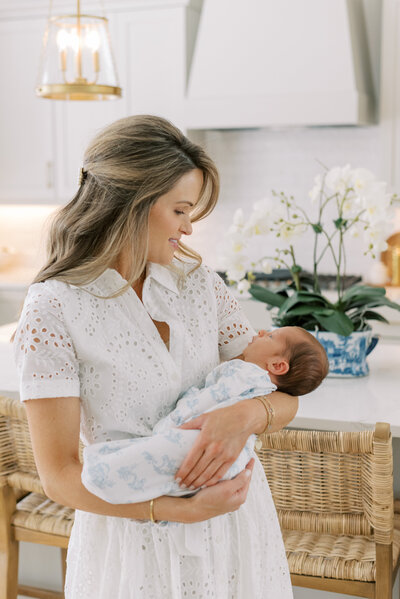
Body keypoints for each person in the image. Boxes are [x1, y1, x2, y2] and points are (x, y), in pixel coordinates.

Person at [13, 115, 299, 599]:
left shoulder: (201, 285)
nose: (189, 228)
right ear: (134, 204)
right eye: (181, 210)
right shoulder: (54, 307)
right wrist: (174, 510)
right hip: (130, 543)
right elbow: (59, 477)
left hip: (233, 528)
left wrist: (246, 415)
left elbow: (286, 397)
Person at [81, 326, 328, 504]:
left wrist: (173, 424)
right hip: (228, 461)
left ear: (277, 366)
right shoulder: (257, 381)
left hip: (207, 438)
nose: (261, 331)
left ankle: (104, 470)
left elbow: (208, 402)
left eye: (271, 335)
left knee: (158, 454)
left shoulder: (246, 374)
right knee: (169, 466)